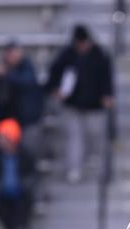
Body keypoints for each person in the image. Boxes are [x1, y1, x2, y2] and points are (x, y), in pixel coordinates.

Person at [44, 25, 114, 183]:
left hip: (95, 106)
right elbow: (53, 75)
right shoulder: (67, 55)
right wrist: (55, 90)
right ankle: (74, 169)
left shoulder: (99, 54)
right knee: (74, 138)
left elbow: (106, 77)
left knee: (97, 138)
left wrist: (108, 95)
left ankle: (101, 169)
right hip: (72, 106)